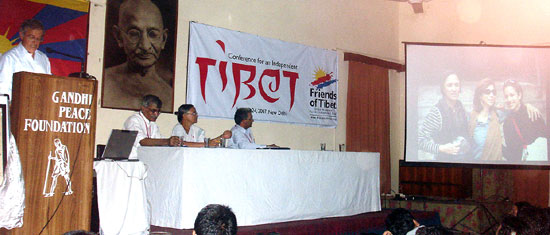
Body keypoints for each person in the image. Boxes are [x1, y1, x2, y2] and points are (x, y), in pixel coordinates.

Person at [103, 0, 173, 112]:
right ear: (119, 37)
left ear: (163, 39)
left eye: (153, 34)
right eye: (134, 34)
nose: (145, 46)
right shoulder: (104, 83)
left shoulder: (169, 96)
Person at [418, 73, 470, 161]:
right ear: (443, 88)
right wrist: (441, 148)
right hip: (445, 165)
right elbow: (419, 141)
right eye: (449, 85)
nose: (454, 89)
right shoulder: (436, 113)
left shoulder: (461, 108)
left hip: (464, 163)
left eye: (456, 85)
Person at [0, 19, 51, 98]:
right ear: (22, 35)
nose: (35, 42)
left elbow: (49, 86)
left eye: (38, 39)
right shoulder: (9, 58)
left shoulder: (43, 58)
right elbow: (3, 90)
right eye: (32, 37)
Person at [502, 79, 549, 162]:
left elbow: (546, 141)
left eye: (512, 95)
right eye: (506, 96)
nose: (509, 100)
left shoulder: (533, 114)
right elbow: (511, 154)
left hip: (538, 167)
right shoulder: (507, 123)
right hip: (521, 168)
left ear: (519, 95)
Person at [123, 95, 181, 159]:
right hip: (132, 161)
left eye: (158, 112)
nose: (156, 114)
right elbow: (142, 141)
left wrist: (174, 141)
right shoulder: (133, 120)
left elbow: (159, 140)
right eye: (153, 111)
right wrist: (167, 141)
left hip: (146, 159)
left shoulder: (153, 124)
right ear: (143, 108)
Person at [468, 78, 506, 161]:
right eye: (488, 92)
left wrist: (528, 106)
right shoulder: (470, 117)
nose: (491, 95)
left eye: (494, 92)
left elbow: (516, 109)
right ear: (479, 95)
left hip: (494, 167)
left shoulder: (499, 114)